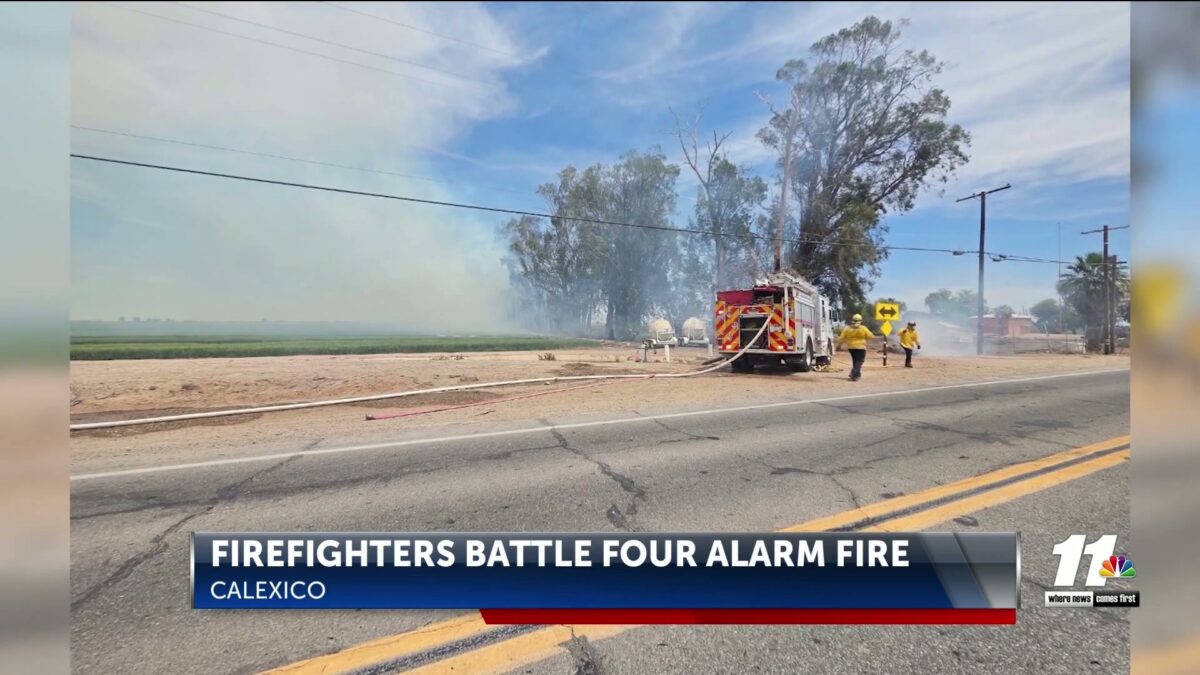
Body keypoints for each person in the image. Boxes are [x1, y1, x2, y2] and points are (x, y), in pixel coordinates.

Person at [836, 314, 873, 381]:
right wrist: (865, 339)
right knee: (859, 361)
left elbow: (841, 338)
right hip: (861, 347)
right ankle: (853, 373)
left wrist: (838, 346)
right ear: (861, 321)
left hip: (851, 347)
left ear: (852, 320)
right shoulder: (863, 328)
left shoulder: (847, 328)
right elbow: (871, 336)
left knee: (855, 361)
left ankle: (856, 376)